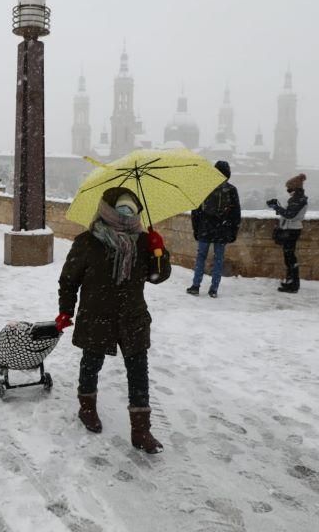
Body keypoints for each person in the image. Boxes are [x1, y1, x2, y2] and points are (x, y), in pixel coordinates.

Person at [56, 187, 171, 454]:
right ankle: (87, 408)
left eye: (131, 208)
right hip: (97, 315)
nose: (126, 213)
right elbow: (69, 279)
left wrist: (159, 251)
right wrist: (66, 310)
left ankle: (141, 430)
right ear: (107, 209)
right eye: (121, 208)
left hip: (133, 317)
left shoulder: (143, 242)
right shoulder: (88, 241)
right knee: (91, 363)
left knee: (139, 371)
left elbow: (159, 276)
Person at [187, 160, 241, 298]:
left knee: (201, 258)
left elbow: (196, 212)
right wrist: (233, 232)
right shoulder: (231, 190)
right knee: (218, 259)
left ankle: (195, 286)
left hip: (205, 229)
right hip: (222, 230)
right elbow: (236, 214)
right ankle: (214, 288)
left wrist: (196, 229)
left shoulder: (204, 188)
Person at [267, 173, 309, 293]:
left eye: (289, 189)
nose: (288, 191)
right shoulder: (297, 199)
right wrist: (278, 207)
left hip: (292, 230)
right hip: (291, 229)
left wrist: (276, 207)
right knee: (289, 257)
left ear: (295, 188)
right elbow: (289, 213)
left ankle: (293, 284)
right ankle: (290, 281)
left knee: (290, 257)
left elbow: (290, 215)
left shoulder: (298, 199)